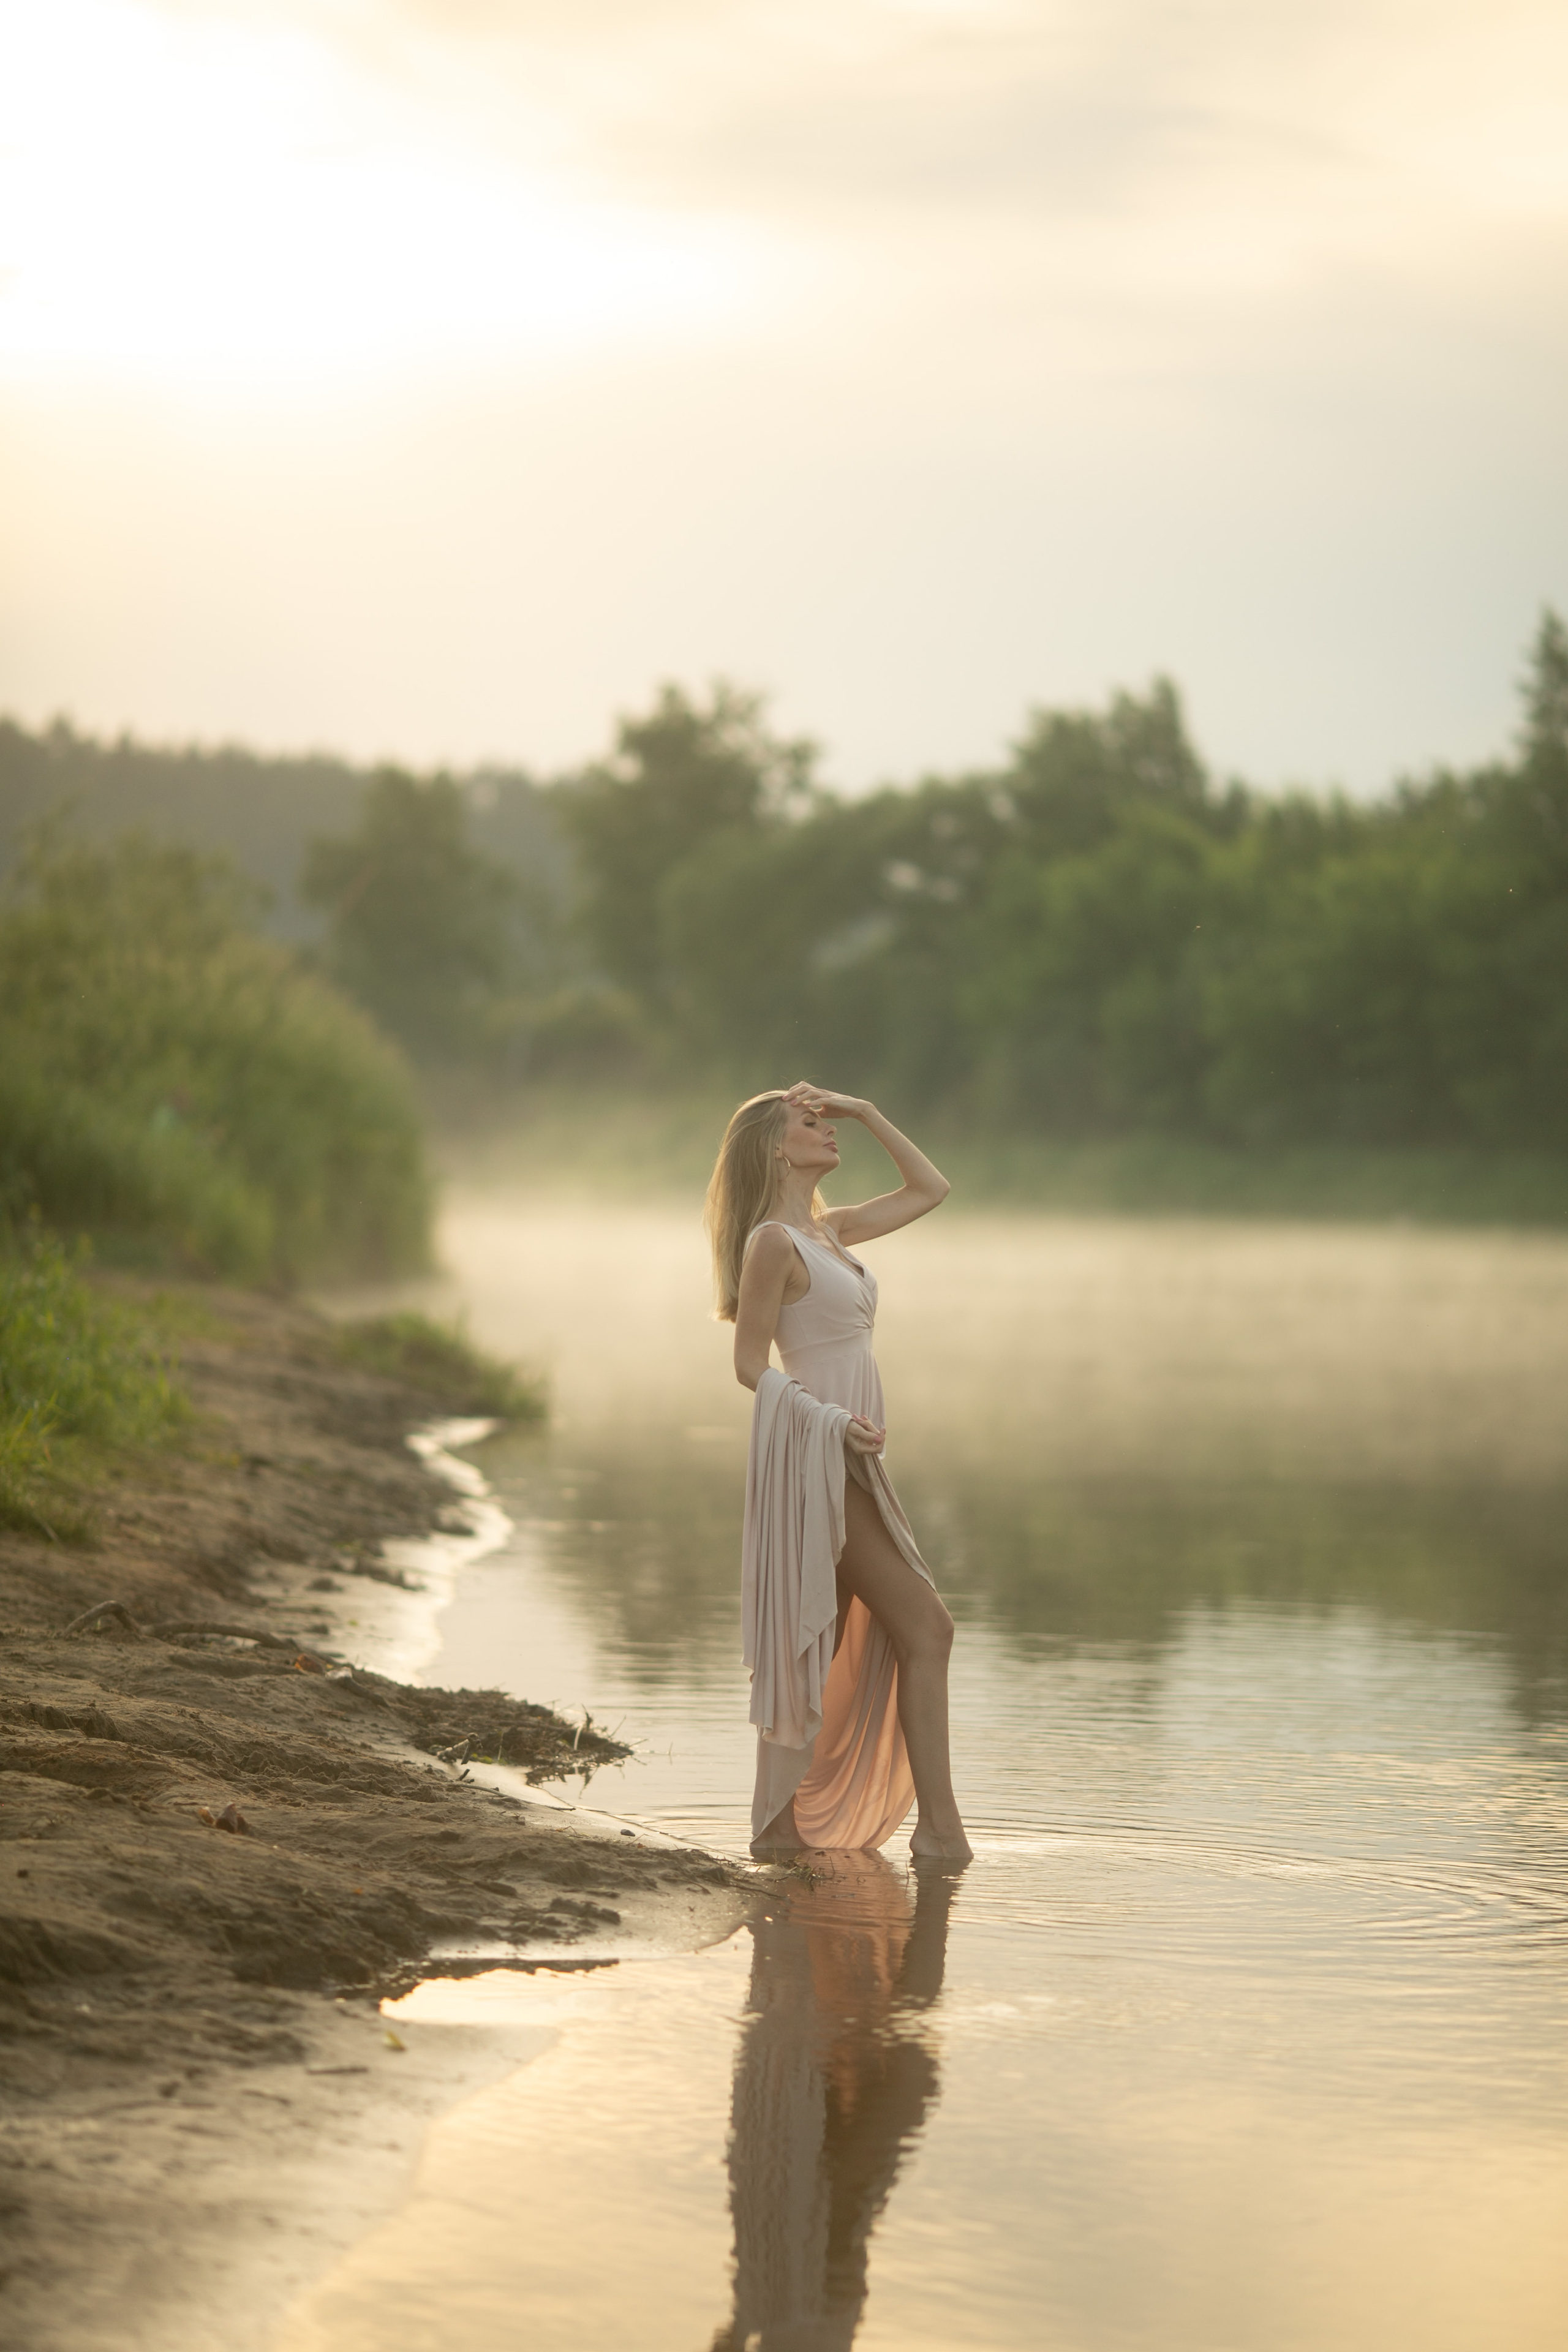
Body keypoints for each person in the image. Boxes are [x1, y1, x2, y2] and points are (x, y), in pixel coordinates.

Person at [705, 1080, 972, 1864]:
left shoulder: (830, 1232)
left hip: (854, 1460)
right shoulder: (771, 1245)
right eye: (809, 1123)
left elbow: (932, 1189)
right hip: (817, 1461)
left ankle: (783, 1830)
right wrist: (827, 1424)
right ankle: (940, 1836)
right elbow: (749, 1365)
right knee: (927, 1628)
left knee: (821, 1646)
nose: (826, 1132)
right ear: (772, 1147)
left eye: (828, 1121)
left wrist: (866, 1110)